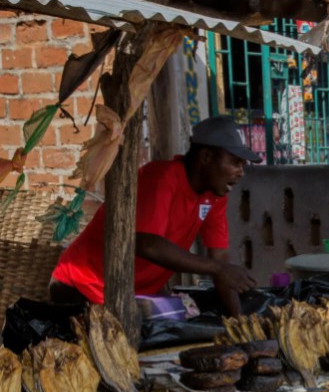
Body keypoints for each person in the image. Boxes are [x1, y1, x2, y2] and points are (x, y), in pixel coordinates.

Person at [49, 116, 259, 316]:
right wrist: (219, 269)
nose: (241, 172)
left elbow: (220, 256)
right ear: (206, 157)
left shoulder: (215, 195)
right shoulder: (162, 178)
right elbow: (147, 244)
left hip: (131, 295)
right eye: (235, 162)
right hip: (83, 287)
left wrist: (238, 319)